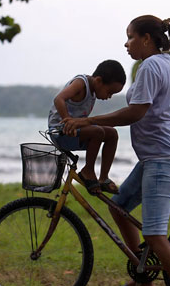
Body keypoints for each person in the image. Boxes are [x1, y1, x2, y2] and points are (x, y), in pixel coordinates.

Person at [63, 15, 170, 286]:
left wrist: (88, 120)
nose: (126, 43)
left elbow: (136, 113)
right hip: (159, 154)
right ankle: (144, 276)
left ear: (146, 39)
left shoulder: (151, 66)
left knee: (154, 234)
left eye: (130, 37)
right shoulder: (166, 62)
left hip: (164, 156)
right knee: (120, 206)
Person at [49, 60, 126, 194]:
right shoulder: (81, 83)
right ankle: (88, 170)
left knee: (112, 134)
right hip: (60, 132)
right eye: (109, 92)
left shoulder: (94, 89)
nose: (109, 97)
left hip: (77, 132)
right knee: (97, 131)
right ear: (98, 81)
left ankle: (103, 178)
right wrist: (67, 120)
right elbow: (58, 99)